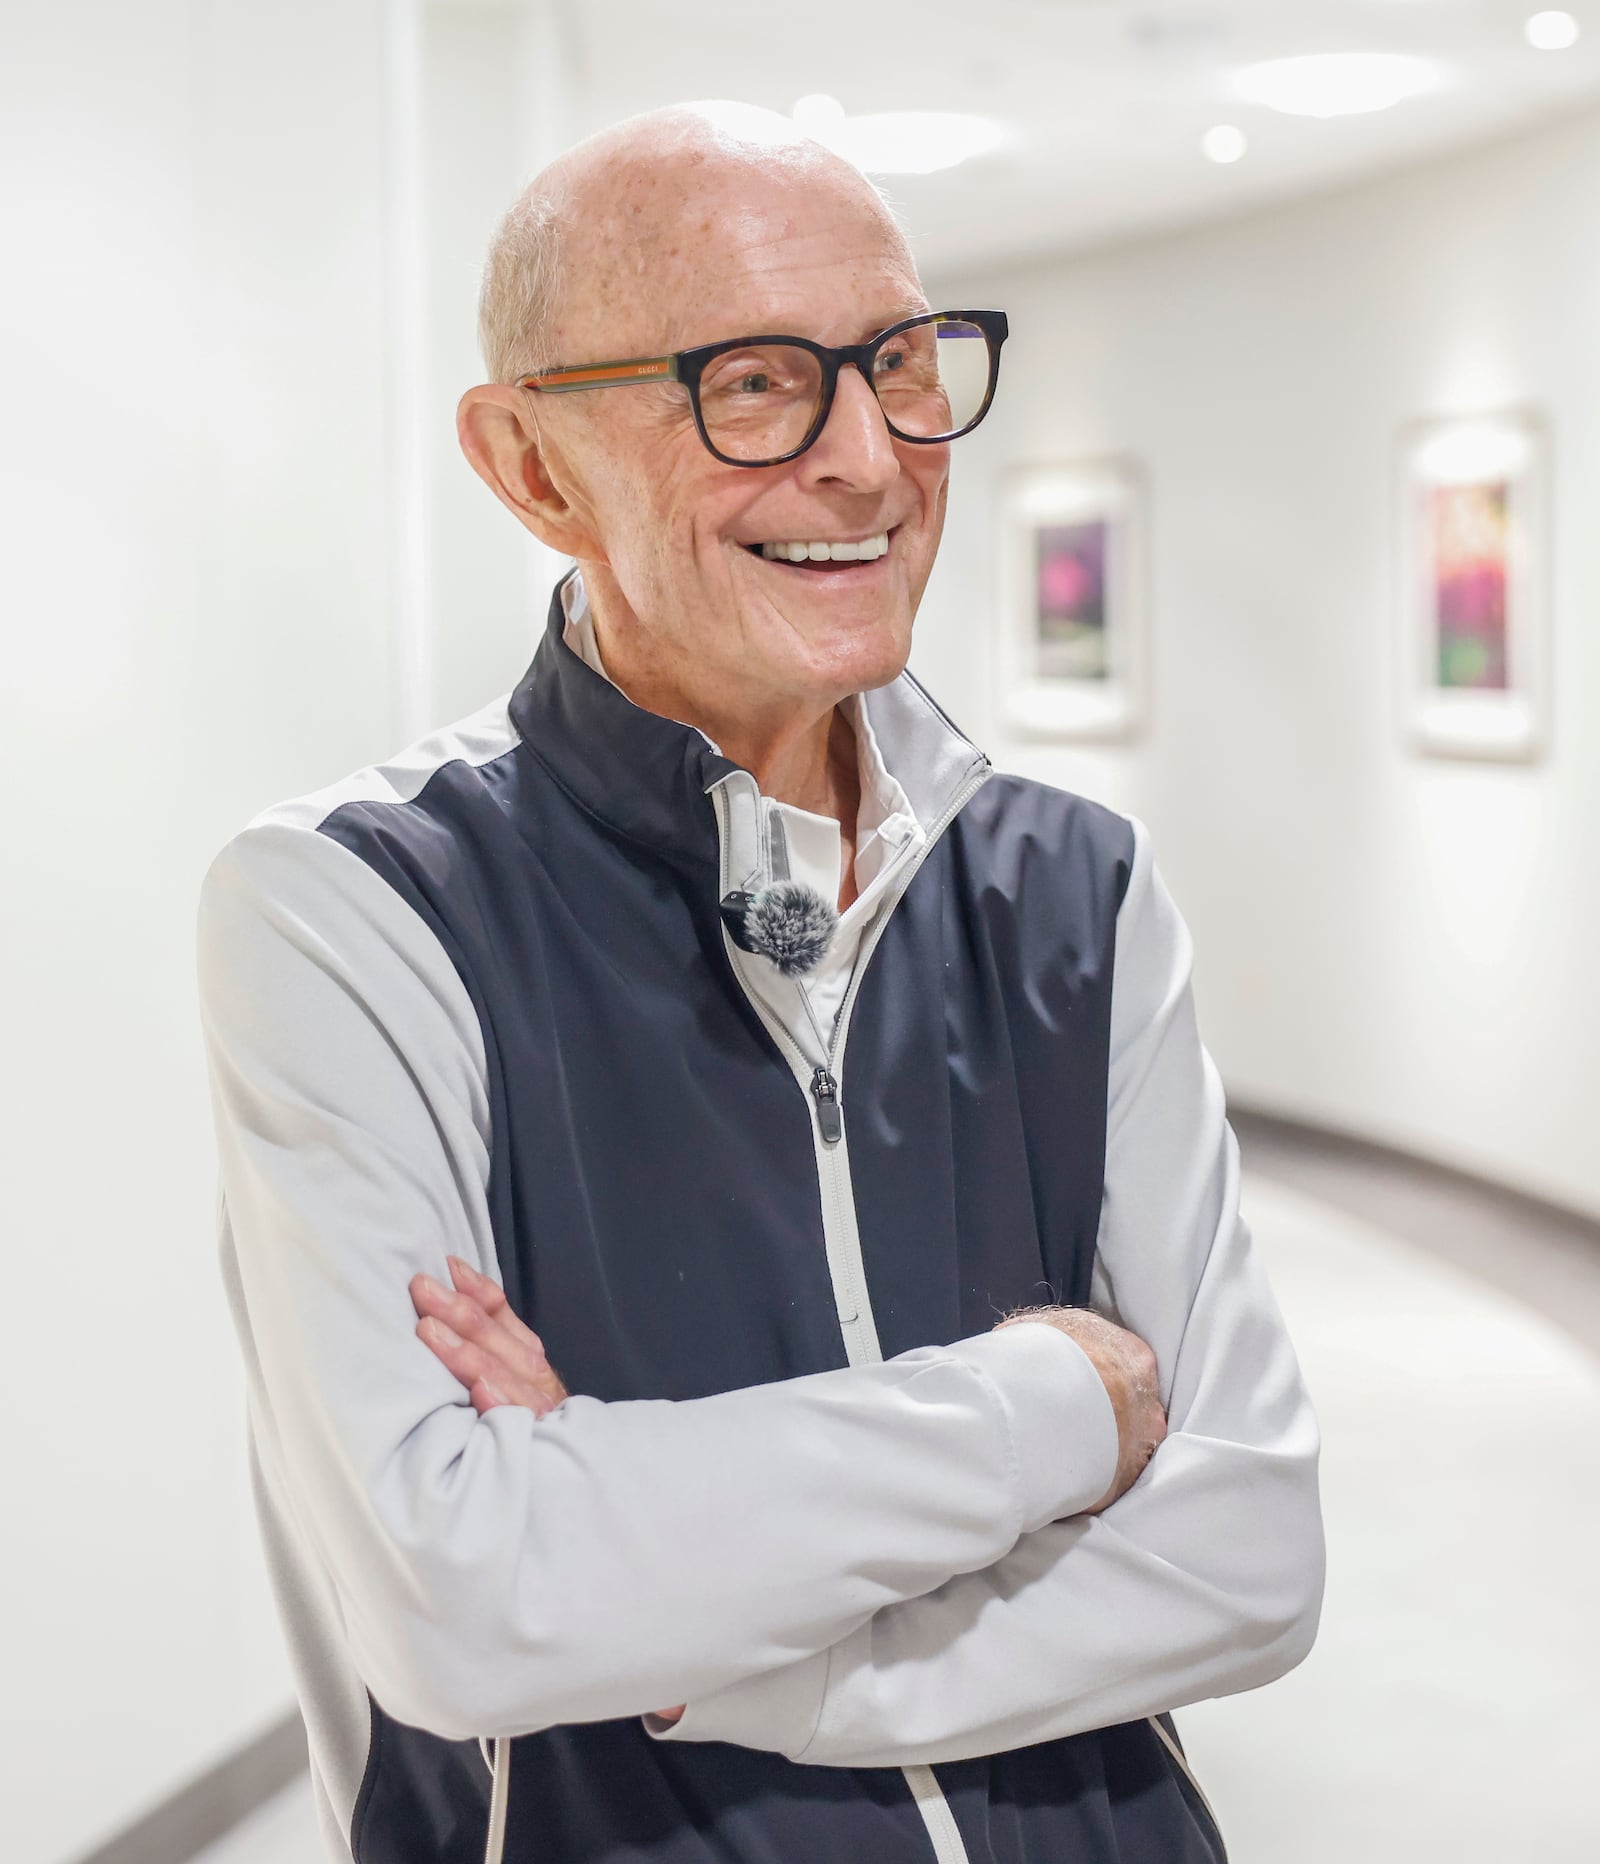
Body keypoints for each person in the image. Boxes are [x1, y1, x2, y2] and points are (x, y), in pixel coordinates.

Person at [197, 101, 1324, 1864]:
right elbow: (468, 1603)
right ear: (532, 468)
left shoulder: (1071, 887)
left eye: (899, 361)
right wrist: (1056, 1409)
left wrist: (693, 1637)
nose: (870, 457)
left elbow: (1252, 1553)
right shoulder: (358, 908)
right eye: (754, 384)